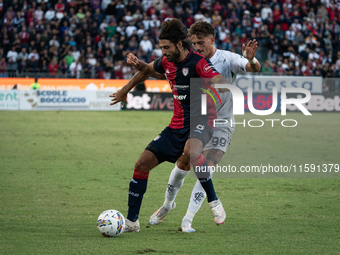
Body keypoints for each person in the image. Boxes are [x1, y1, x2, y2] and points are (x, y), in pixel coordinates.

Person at [127, 21, 261, 232]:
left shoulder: (228, 58)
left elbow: (253, 68)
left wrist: (251, 59)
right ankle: (168, 204)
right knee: (183, 163)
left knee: (205, 163)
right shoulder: (188, 60)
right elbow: (164, 72)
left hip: (221, 123)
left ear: (212, 40)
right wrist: (141, 67)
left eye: (201, 43)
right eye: (194, 42)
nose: (197, 47)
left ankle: (189, 218)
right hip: (195, 120)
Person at [110, 19, 230, 233]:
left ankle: (214, 202)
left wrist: (220, 85)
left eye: (167, 47)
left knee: (191, 152)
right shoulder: (167, 61)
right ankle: (131, 222)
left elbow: (218, 80)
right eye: (161, 47)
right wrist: (126, 89)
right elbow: (147, 71)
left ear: (180, 44)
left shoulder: (198, 62)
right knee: (141, 164)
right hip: (176, 126)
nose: (163, 52)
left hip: (202, 120)